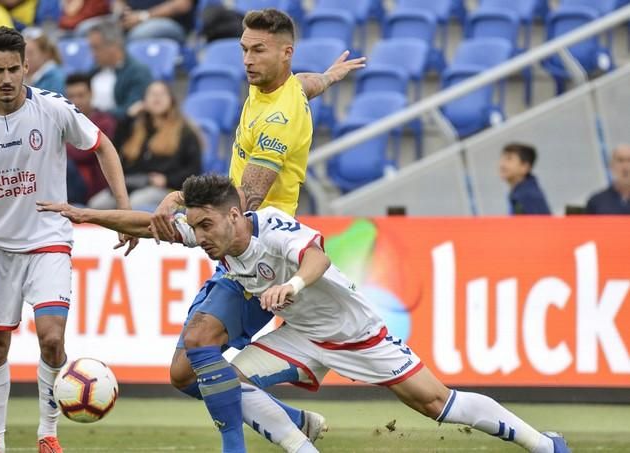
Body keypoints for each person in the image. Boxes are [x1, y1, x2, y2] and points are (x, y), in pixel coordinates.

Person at [37, 173, 572, 453]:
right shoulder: (216, 234)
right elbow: (143, 224)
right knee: (219, 377)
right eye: (193, 228)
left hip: (356, 333)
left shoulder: (269, 227)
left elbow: (319, 256)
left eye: (204, 228)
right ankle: (301, 442)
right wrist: (81, 214)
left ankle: (543, 443)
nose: (197, 239)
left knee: (436, 403)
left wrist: (290, 284)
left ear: (232, 216)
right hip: (299, 336)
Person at [143, 8, 365, 453]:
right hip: (238, 247)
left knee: (201, 345)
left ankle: (235, 447)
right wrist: (330, 76)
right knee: (186, 374)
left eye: (258, 50)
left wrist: (183, 200)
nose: (247, 59)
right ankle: (293, 419)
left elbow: (246, 200)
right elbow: (306, 84)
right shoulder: (283, 86)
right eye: (244, 49)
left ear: (285, 52)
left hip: (261, 248)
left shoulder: (280, 120)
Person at [0, 26, 135, 453]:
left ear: (27, 66)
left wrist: (122, 211)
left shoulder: (53, 109)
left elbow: (103, 146)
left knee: (51, 337)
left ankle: (48, 433)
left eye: (14, 69)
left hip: (48, 239)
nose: (7, 78)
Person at [89, 80, 203, 210]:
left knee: (136, 202)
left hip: (167, 189)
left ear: (171, 99)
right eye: (152, 94)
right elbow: (114, 151)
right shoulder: (135, 129)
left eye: (162, 94)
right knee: (97, 205)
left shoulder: (184, 132)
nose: (157, 98)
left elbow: (194, 169)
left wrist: (167, 179)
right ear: (144, 101)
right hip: (134, 184)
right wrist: (127, 118)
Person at [65, 72, 117, 203]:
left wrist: (61, 145)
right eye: (71, 96)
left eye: (81, 95)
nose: (76, 101)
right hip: (65, 182)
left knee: (65, 162)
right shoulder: (63, 122)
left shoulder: (104, 122)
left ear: (91, 94)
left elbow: (86, 152)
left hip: (91, 187)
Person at [87, 20, 153, 120]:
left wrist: (96, 115)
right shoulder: (93, 71)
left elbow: (131, 109)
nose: (92, 54)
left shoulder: (138, 72)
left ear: (113, 46)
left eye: (96, 48)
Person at [499, 143, 551, 215]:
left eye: (509, 159)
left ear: (525, 167)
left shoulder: (528, 196)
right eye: (502, 158)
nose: (502, 164)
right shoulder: (520, 193)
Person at [117, 0, 196, 44]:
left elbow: (183, 4)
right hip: (132, 21)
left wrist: (143, 16)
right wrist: (123, 13)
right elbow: (119, 3)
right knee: (107, 34)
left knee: (139, 35)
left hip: (170, 22)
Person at [586, 144, 630, 214]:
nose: (626, 166)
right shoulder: (596, 202)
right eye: (620, 160)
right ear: (611, 165)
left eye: (629, 160)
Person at [24, 27, 66, 94]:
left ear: (45, 54)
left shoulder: (56, 79)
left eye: (30, 53)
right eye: (22, 53)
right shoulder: (23, 77)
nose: (25, 58)